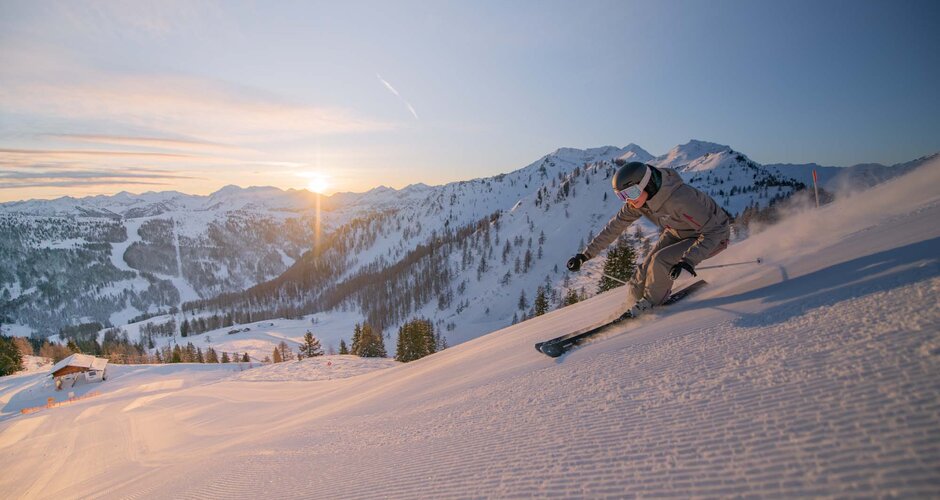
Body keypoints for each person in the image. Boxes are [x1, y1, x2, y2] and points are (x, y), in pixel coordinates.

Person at [566, 160, 730, 316]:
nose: (629, 200)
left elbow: (714, 230)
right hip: (678, 231)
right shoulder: (637, 203)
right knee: (642, 272)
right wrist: (585, 255)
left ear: (647, 184)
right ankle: (633, 305)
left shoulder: (681, 199)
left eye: (631, 193)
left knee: (661, 261)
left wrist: (688, 261)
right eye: (622, 196)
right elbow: (613, 228)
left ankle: (651, 305)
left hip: (713, 235)